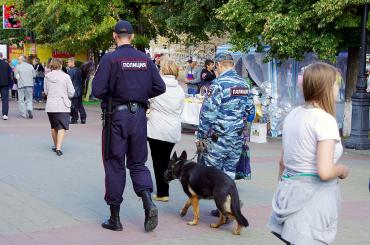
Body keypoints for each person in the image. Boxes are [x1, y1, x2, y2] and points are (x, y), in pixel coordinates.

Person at [92, 20, 166, 233]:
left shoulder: (110, 58)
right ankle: (148, 202)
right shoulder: (144, 58)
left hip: (117, 117)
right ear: (132, 37)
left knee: (114, 163)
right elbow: (159, 86)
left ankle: (115, 219)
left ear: (115, 36)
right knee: (138, 163)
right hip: (139, 117)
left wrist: (116, 95)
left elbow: (97, 90)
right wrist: (140, 96)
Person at [268, 62, 349, 245]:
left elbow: (282, 162)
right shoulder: (325, 120)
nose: (338, 89)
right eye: (337, 84)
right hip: (314, 201)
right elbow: (325, 171)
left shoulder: (293, 115)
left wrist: (283, 193)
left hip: (290, 193)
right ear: (326, 87)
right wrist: (343, 169)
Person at [196, 52, 254, 215]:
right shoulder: (244, 84)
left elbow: (208, 114)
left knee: (213, 174)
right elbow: (250, 111)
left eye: (216, 67)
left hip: (218, 138)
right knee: (229, 172)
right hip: (236, 138)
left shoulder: (217, 84)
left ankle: (225, 205)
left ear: (219, 65)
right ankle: (227, 206)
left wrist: (200, 136)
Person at [147, 58, 185, 202]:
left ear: (162, 70)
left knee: (158, 161)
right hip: (172, 129)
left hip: (156, 128)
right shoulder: (180, 90)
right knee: (166, 159)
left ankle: (162, 193)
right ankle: (164, 189)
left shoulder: (156, 85)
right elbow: (181, 110)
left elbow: (148, 100)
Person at [44, 58, 75, 156]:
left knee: (53, 127)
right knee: (62, 126)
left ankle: (55, 144)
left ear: (51, 66)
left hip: (51, 105)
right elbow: (71, 92)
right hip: (62, 104)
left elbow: (46, 92)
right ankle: (58, 148)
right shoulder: (66, 76)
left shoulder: (47, 77)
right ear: (61, 65)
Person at [67, 57, 87, 124]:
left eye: (69, 62)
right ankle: (83, 118)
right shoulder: (79, 70)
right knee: (80, 105)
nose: (68, 63)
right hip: (79, 90)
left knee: (74, 106)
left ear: (73, 62)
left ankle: (74, 119)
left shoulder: (70, 71)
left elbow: (69, 82)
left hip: (74, 90)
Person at [0, 53, 13, 120]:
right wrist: (11, 84)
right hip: (5, 84)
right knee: (5, 100)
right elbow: (10, 75)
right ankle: (5, 114)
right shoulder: (6, 64)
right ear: (2, 56)